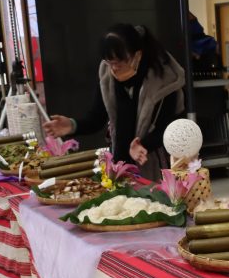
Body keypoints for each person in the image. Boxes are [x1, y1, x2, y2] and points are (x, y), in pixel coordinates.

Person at [43, 24, 185, 181]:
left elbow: (168, 128)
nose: (114, 68)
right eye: (109, 62)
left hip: (154, 162)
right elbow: (96, 119)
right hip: (120, 161)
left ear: (137, 55)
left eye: (119, 62)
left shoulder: (163, 80)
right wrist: (72, 125)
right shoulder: (107, 76)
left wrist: (144, 144)